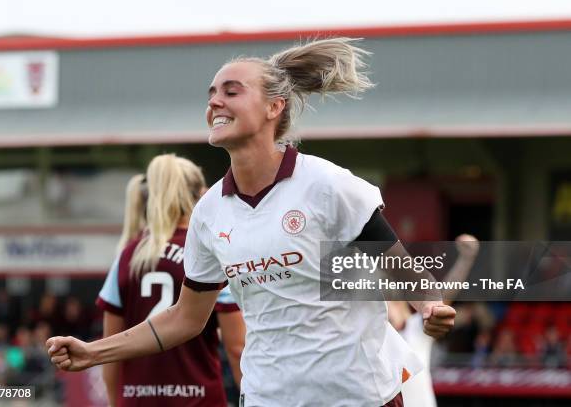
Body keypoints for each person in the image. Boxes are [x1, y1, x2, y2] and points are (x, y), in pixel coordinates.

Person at [47, 37, 456, 407]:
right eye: (211, 95)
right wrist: (93, 351)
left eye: (231, 91)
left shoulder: (326, 185)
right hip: (266, 398)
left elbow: (399, 264)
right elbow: (185, 319)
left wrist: (429, 305)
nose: (214, 103)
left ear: (273, 107)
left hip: (358, 397)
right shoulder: (209, 213)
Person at [96, 156, 244, 407]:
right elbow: (237, 347)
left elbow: (109, 352)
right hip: (197, 399)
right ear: (200, 196)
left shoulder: (127, 256)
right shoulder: (207, 253)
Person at [388, 234, 480, 407]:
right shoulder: (376, 337)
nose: (387, 308)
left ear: (402, 306)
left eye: (391, 302)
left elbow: (443, 299)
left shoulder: (415, 328)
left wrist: (466, 259)